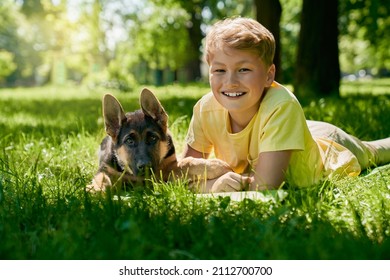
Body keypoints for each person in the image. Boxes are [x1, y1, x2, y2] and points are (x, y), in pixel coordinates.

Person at [182, 17, 390, 193]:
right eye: (219, 70)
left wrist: (211, 185)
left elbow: (265, 186)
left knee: (374, 151)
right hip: (292, 130)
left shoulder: (282, 104)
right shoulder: (205, 109)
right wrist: (212, 185)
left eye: (244, 69)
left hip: (328, 146)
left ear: (268, 75)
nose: (230, 81)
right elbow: (182, 174)